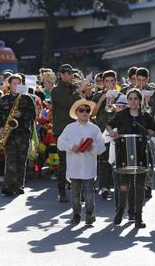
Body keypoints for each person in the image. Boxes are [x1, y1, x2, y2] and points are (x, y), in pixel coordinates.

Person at [107, 89, 155, 229]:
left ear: (140, 100)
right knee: (124, 185)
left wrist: (152, 132)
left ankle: (138, 216)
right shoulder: (121, 115)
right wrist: (112, 132)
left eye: (136, 98)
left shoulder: (146, 117)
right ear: (128, 101)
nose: (133, 101)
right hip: (123, 152)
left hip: (141, 152)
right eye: (130, 99)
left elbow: (154, 131)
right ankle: (120, 210)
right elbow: (109, 124)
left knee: (140, 185)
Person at [58, 99, 106, 225]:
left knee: (89, 192)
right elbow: (60, 143)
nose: (85, 113)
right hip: (74, 166)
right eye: (81, 110)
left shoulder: (95, 129)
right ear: (76, 112)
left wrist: (92, 148)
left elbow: (102, 147)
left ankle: (90, 214)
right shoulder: (69, 128)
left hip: (89, 166)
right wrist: (71, 147)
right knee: (75, 193)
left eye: (87, 110)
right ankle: (76, 214)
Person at [121, 67, 155, 198]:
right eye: (139, 80)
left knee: (148, 157)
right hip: (131, 127)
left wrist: (149, 102)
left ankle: (148, 186)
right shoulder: (128, 91)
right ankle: (133, 184)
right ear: (135, 78)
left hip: (147, 127)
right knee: (132, 157)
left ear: (148, 79)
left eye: (144, 80)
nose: (141, 83)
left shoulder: (153, 90)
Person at [0, 74, 36, 196]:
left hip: (23, 133)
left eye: (19, 83)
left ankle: (19, 185)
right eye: (14, 83)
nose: (16, 86)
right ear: (9, 85)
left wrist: (21, 114)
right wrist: (1, 127)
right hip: (9, 134)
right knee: (10, 159)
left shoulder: (27, 99)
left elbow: (33, 115)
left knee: (21, 160)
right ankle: (8, 186)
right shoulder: (3, 99)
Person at [51, 64, 88, 202]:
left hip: (77, 128)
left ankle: (79, 192)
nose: (72, 76)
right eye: (68, 73)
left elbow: (83, 104)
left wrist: (84, 93)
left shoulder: (73, 88)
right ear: (61, 74)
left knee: (79, 161)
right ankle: (62, 191)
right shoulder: (56, 90)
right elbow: (68, 103)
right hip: (62, 130)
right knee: (64, 162)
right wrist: (79, 90)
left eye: (72, 73)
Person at [92, 70, 120, 199]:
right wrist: (103, 99)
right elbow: (93, 113)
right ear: (103, 82)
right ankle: (104, 187)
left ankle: (117, 185)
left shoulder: (121, 95)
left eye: (112, 81)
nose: (109, 83)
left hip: (116, 132)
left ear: (115, 82)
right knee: (103, 160)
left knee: (116, 159)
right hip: (102, 131)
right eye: (107, 81)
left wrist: (115, 103)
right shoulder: (97, 95)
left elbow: (123, 112)